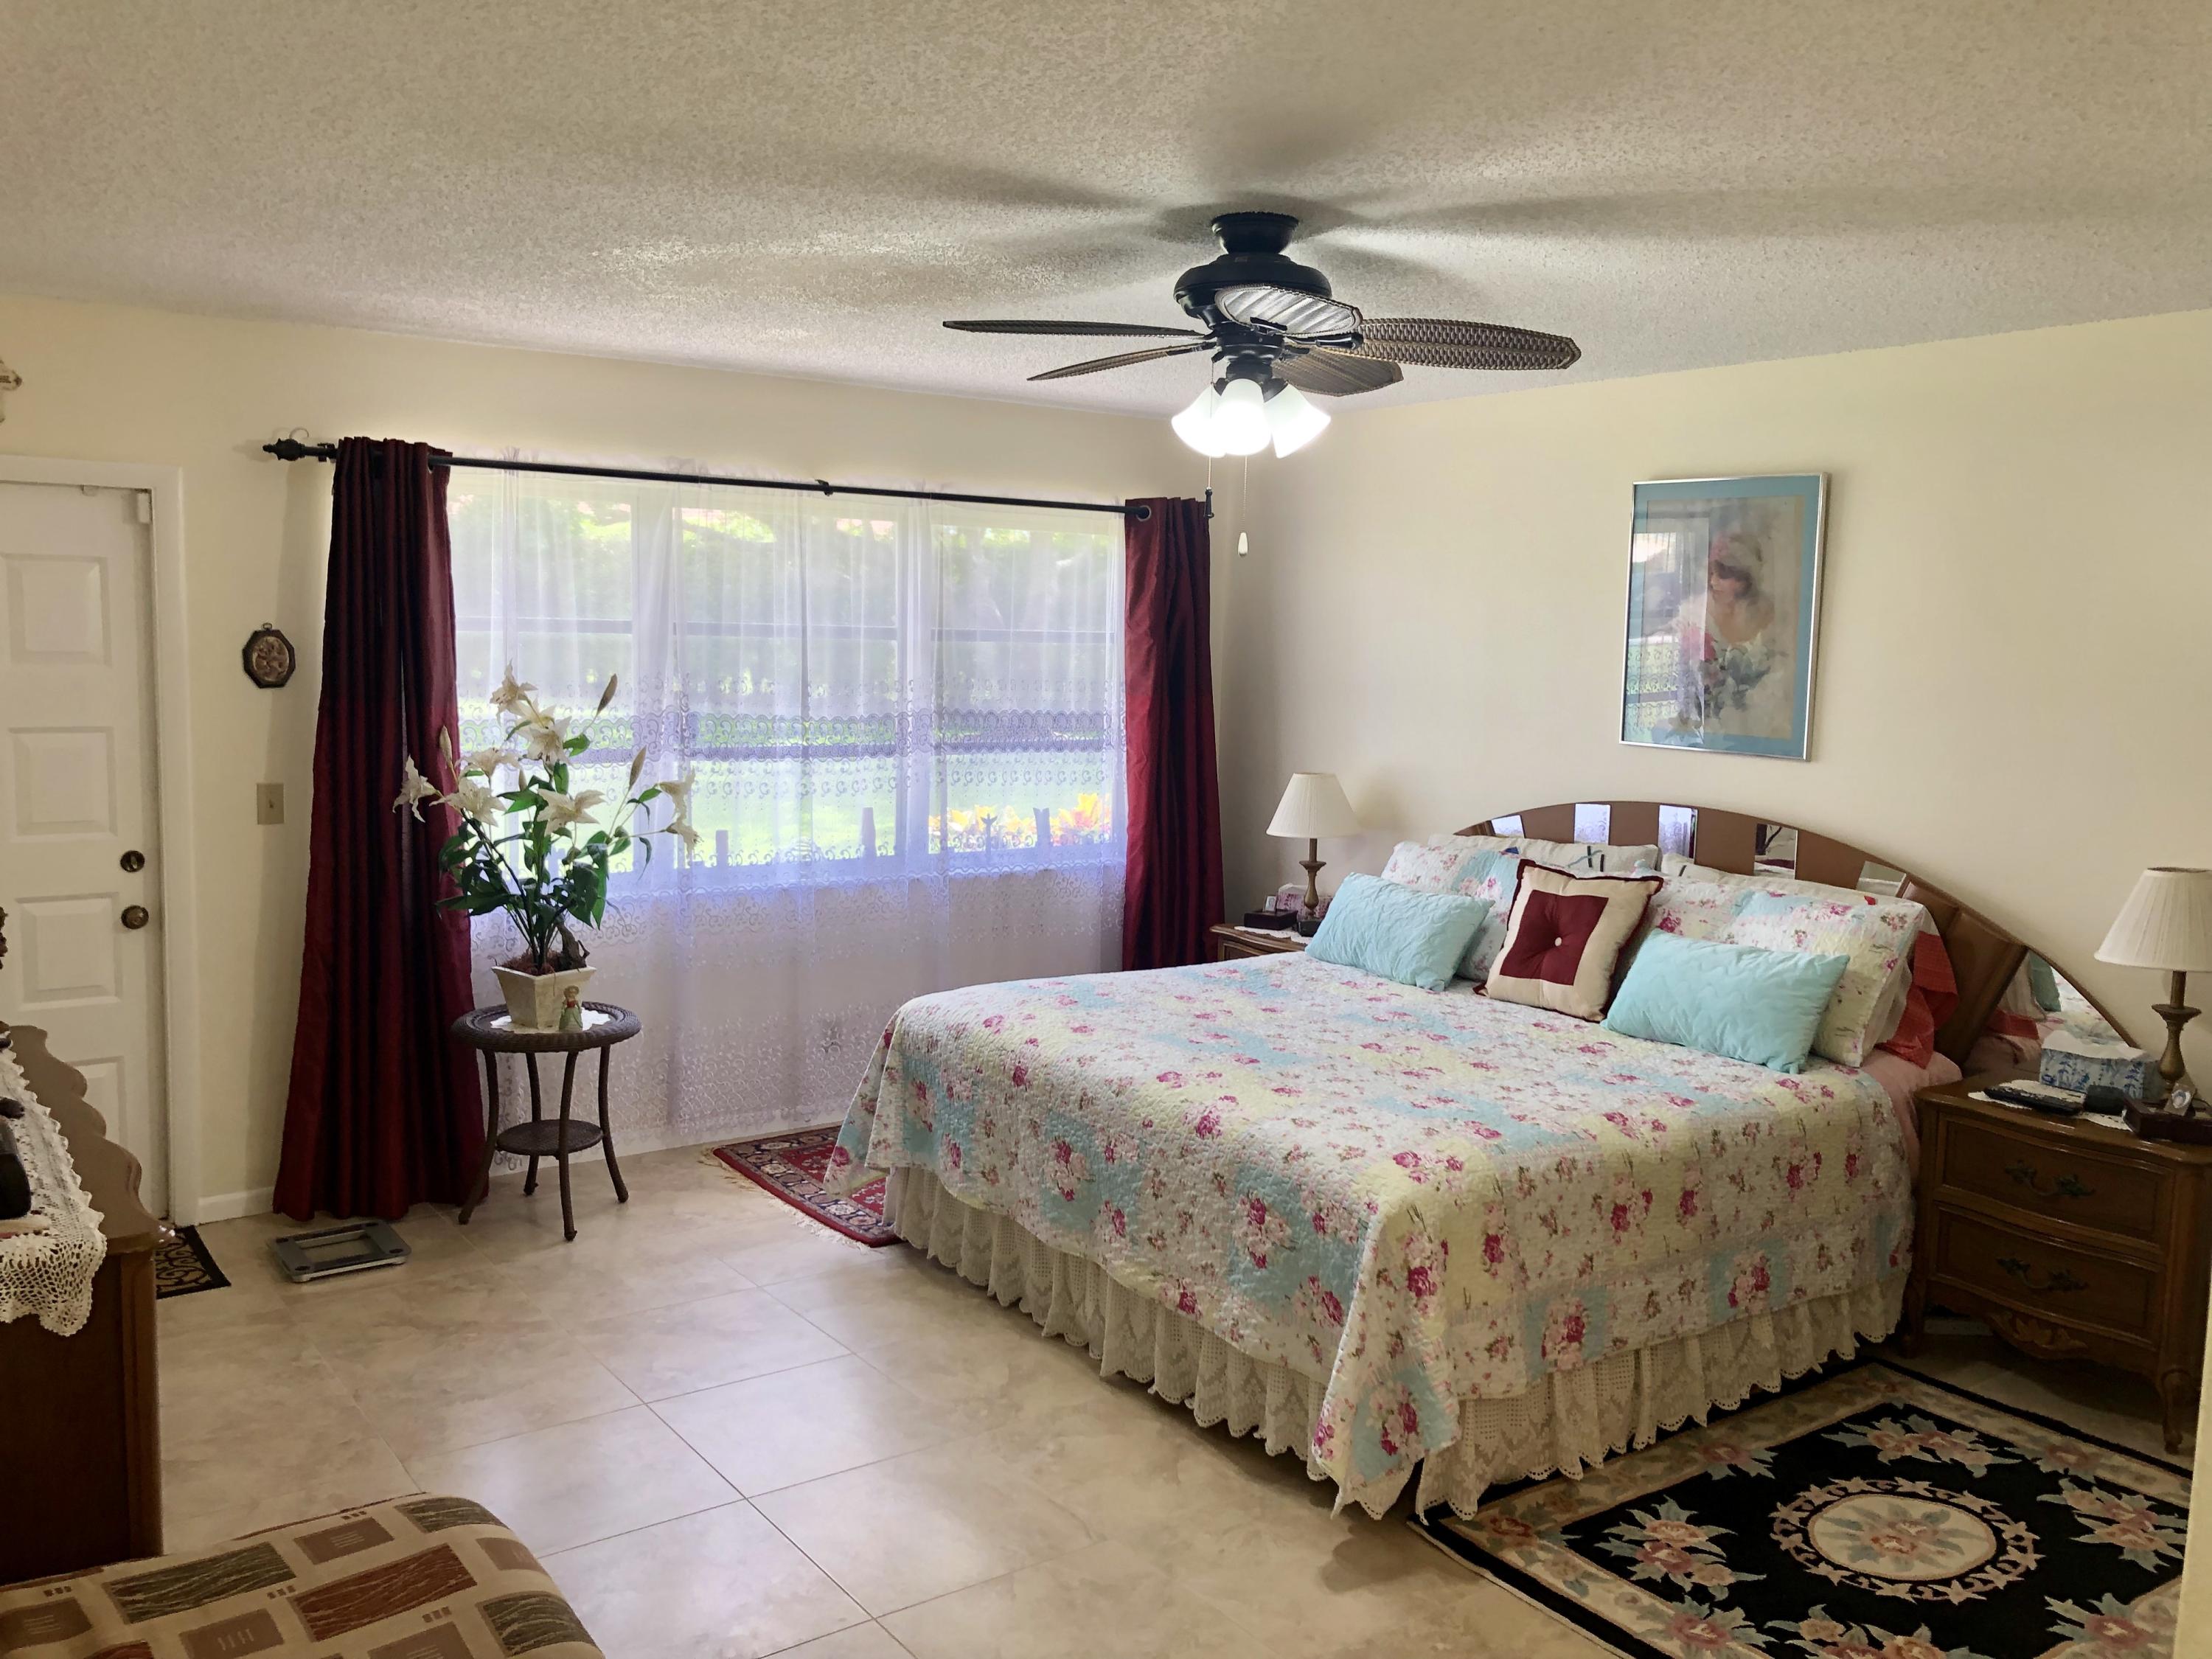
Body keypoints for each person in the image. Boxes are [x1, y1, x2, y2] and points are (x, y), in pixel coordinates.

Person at [1673, 528, 1790, 739]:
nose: (1713, 582)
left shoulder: (1770, 613)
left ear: (1745, 579)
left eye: (1724, 575)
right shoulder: (1694, 614)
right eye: (1712, 574)